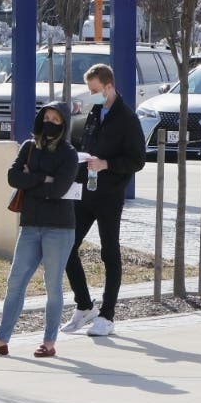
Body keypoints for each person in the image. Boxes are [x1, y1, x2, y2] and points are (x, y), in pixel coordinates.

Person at [0, 102, 78, 358]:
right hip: (30, 225)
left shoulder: (69, 153)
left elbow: (59, 190)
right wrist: (42, 178)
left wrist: (32, 181)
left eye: (56, 119)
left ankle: (49, 342)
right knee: (15, 281)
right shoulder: (29, 147)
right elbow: (13, 177)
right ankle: (0, 340)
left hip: (59, 228)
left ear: (64, 124)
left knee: (52, 285)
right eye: (47, 117)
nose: (50, 123)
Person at [63, 63, 146, 337]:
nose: (93, 95)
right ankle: (84, 305)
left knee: (109, 252)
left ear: (109, 86)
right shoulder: (96, 112)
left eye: (96, 90)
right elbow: (87, 145)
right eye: (90, 90)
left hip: (109, 194)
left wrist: (107, 164)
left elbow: (137, 160)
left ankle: (107, 315)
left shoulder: (127, 118)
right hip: (86, 191)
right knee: (66, 247)